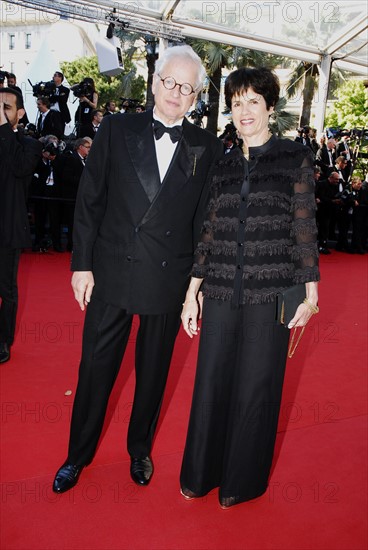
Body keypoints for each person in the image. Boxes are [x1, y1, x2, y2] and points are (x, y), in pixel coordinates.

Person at [52, 45, 222, 494]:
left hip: (168, 275)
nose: (175, 92)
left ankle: (140, 449)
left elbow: (206, 221)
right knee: (95, 368)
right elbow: (91, 199)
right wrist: (82, 264)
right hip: (112, 268)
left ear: (195, 97)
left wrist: (195, 287)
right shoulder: (115, 128)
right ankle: (77, 455)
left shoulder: (207, 146)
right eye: (169, 81)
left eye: (186, 87)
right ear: (154, 82)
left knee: (154, 371)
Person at [180, 67, 320, 509]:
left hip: (270, 291)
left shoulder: (292, 157)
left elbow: (304, 227)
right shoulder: (220, 163)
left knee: (256, 385)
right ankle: (201, 475)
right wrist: (191, 293)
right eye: (237, 101)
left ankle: (242, 481)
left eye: (253, 101)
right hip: (221, 288)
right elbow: (209, 231)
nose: (244, 110)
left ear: (270, 108)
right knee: (212, 382)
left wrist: (311, 292)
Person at [0, 88, 42, 363]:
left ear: (20, 113)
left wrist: (3, 127)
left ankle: (3, 340)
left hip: (7, 228)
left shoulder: (29, 145)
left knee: (5, 289)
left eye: (6, 107)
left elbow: (18, 167)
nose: (1, 112)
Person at [49, 71, 71, 136]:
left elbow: (63, 100)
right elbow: (49, 99)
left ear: (60, 78)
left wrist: (54, 97)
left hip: (60, 112)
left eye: (55, 75)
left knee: (60, 130)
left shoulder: (65, 89)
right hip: (50, 111)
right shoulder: (49, 88)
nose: (53, 77)